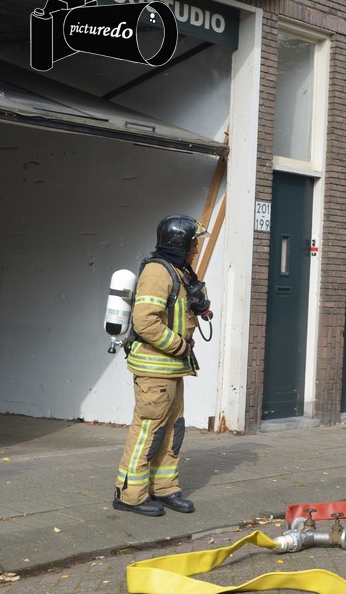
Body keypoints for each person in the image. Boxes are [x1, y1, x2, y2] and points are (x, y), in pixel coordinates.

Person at [112, 214, 211, 517]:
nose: (196, 248)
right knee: (148, 431)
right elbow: (145, 322)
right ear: (179, 243)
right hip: (155, 369)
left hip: (172, 369)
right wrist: (180, 346)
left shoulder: (179, 271)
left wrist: (199, 300)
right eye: (193, 243)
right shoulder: (158, 272)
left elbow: (183, 308)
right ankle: (130, 495)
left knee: (172, 430)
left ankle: (164, 488)